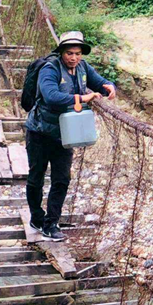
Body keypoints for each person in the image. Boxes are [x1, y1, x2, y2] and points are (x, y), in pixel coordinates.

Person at [26, 31, 115, 242]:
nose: (73, 58)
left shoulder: (83, 68)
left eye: (77, 53)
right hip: (39, 132)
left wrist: (110, 86)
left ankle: (51, 223)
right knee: (36, 176)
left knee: (62, 178)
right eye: (69, 53)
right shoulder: (50, 69)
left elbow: (100, 81)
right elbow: (51, 96)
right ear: (61, 53)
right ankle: (36, 217)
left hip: (64, 135)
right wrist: (83, 97)